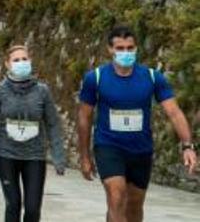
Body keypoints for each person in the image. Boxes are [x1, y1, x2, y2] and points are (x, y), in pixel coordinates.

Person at [77, 26, 196, 222]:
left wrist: (187, 146)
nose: (126, 53)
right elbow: (84, 117)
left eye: (130, 48)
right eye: (120, 48)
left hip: (140, 150)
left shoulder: (152, 77)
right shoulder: (96, 78)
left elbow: (174, 112)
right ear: (110, 50)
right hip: (109, 146)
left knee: (133, 206)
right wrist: (84, 156)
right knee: (116, 196)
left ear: (136, 48)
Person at [0, 45, 66, 222]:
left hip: (34, 157)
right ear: (7, 64)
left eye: (24, 59)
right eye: (16, 60)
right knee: (13, 204)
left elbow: (53, 124)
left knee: (33, 209)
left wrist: (58, 156)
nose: (21, 63)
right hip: (6, 156)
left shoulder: (42, 91)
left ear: (31, 61)